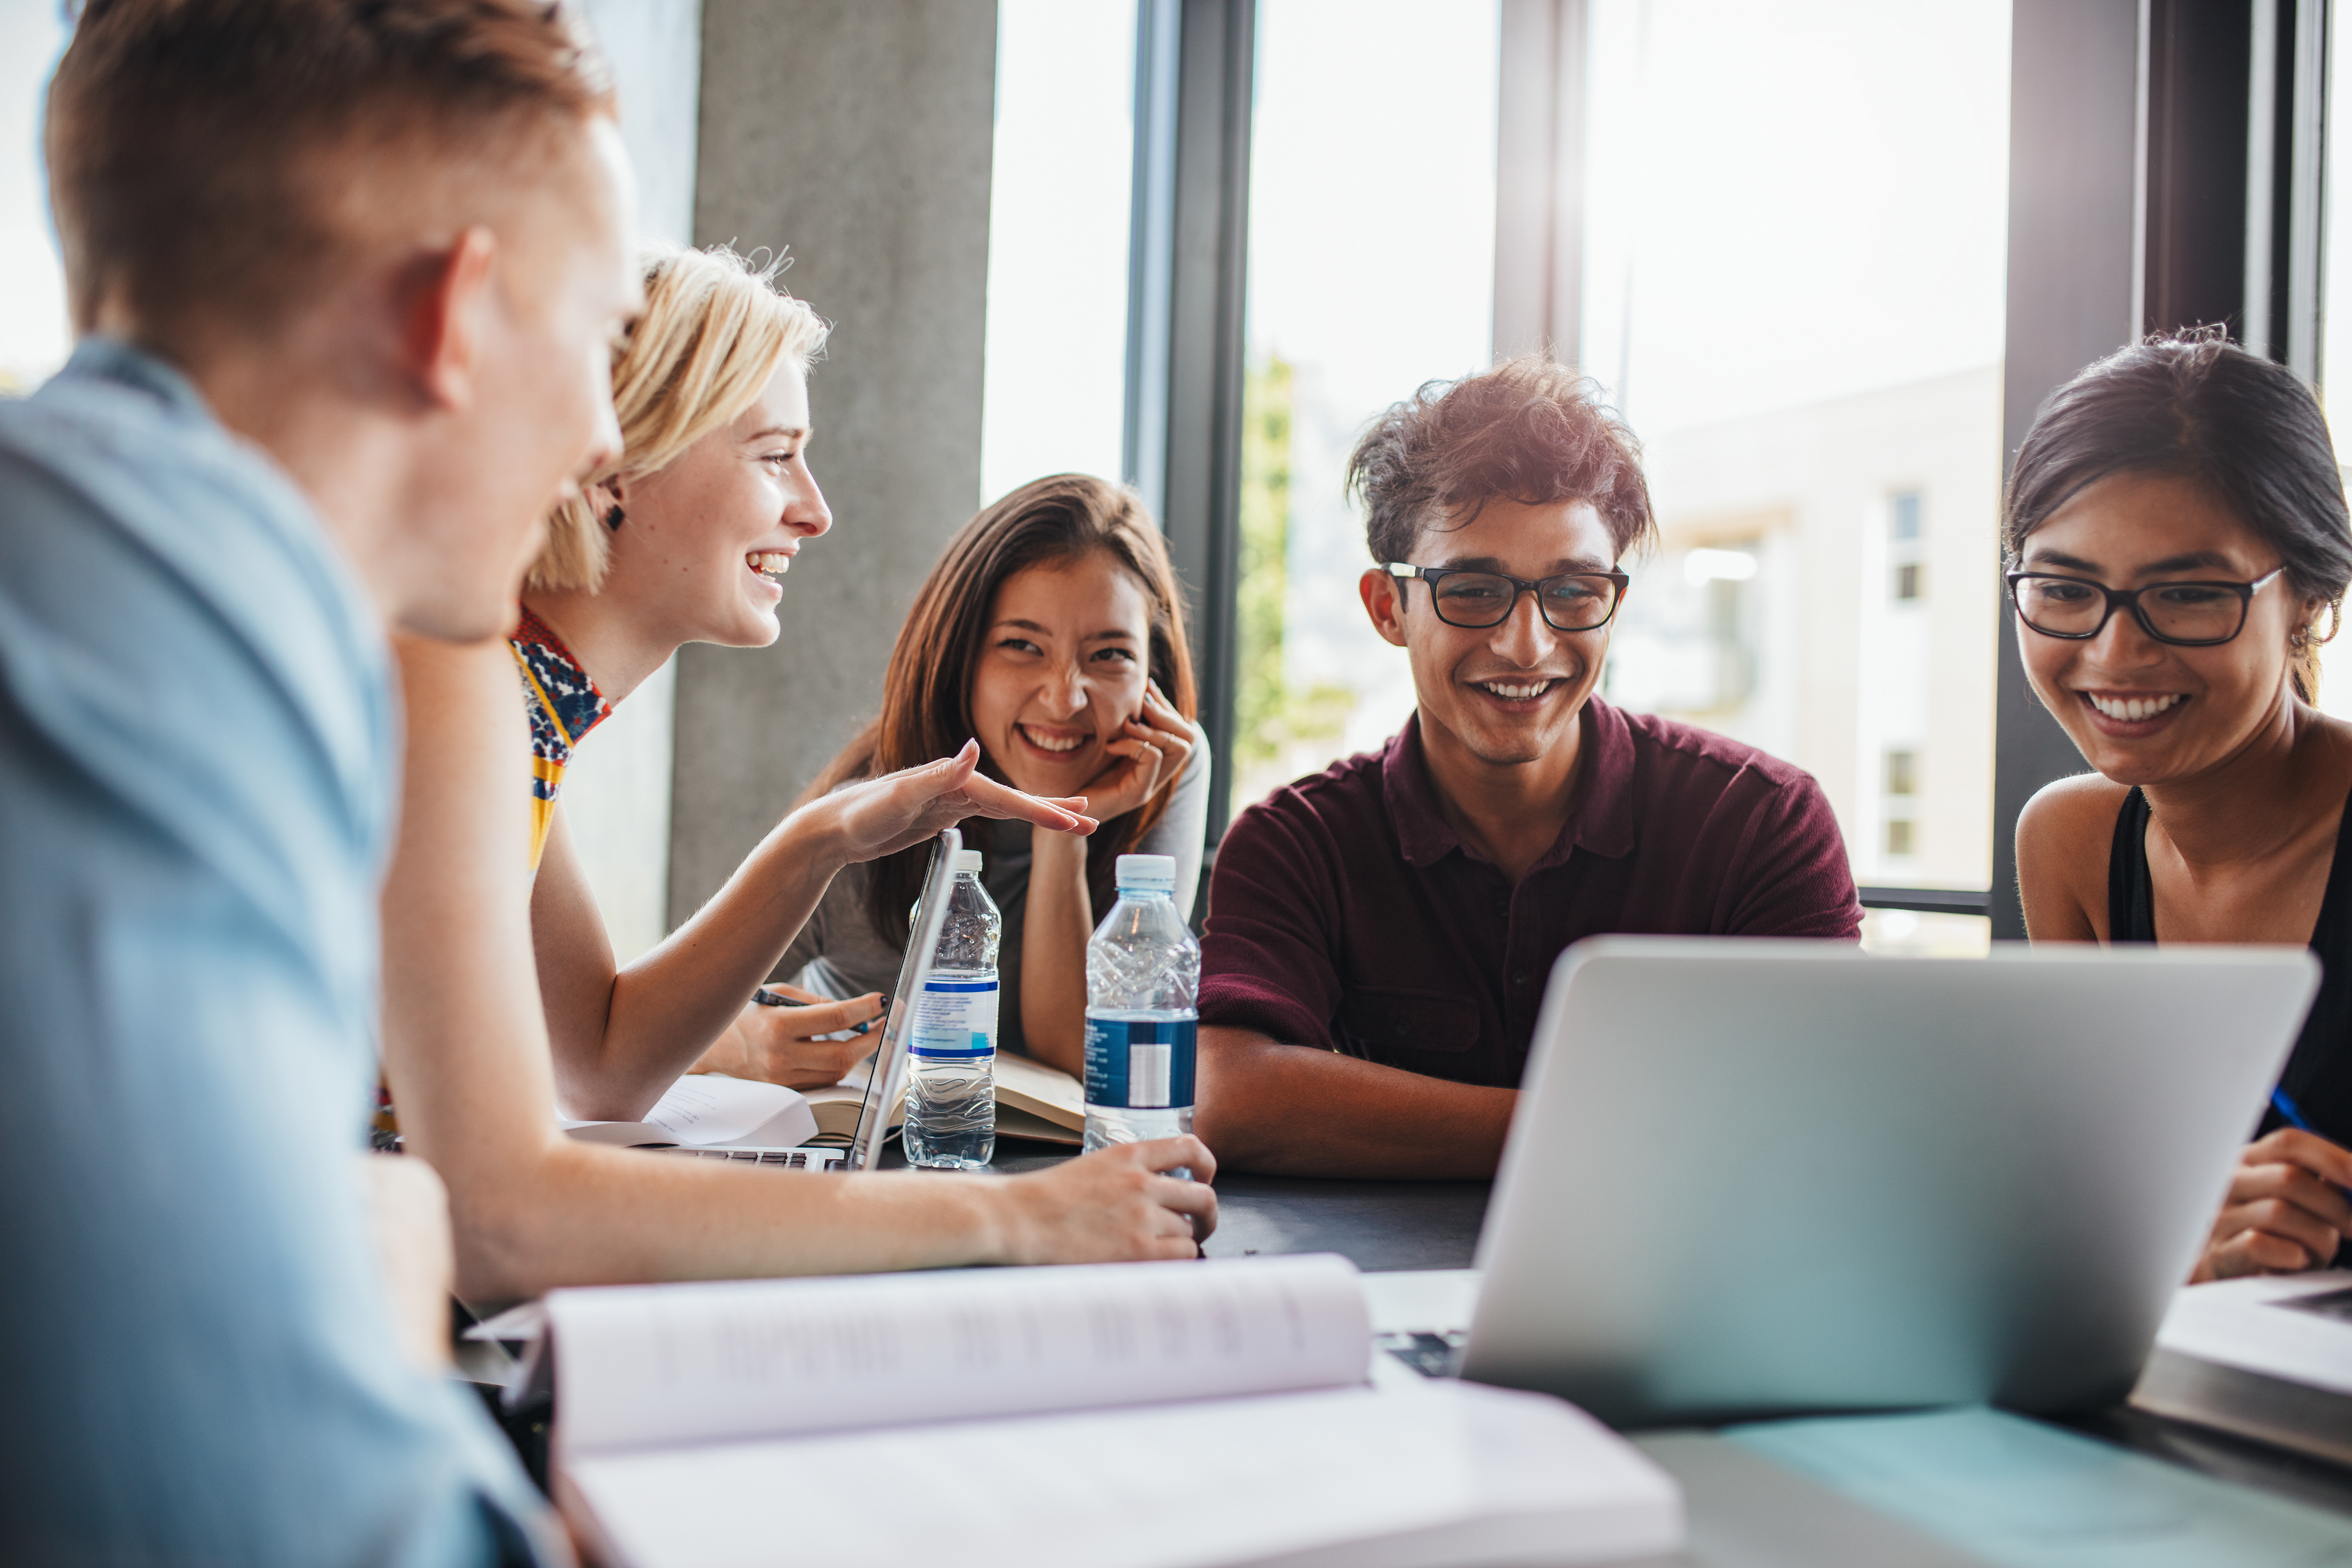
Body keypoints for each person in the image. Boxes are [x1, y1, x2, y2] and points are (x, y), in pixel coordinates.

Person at [0, 0, 638, 1560]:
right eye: (604, 338)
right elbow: (249, 1501)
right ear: (457, 317)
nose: (608, 431)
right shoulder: (168, 608)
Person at [382, 251, 1215, 1306]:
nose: (815, 512)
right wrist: (1017, 1213)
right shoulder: (457, 693)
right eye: (776, 455)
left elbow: (598, 1060)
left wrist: (820, 836)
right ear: (612, 465)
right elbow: (505, 1216)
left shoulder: (522, 714)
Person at [1192, 357, 1863, 1180]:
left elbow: (1816, 1113)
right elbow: (1229, 1092)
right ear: (1384, 607)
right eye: (1472, 589)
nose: (1526, 643)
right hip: (1381, 1294)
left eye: (1573, 590)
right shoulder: (1296, 842)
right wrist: (1628, 1133)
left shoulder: (1761, 821)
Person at [2011, 332, 2352, 1282]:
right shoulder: (2069, 840)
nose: (2114, 654)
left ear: (2311, 602)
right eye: (2063, 589)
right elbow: (2098, 1197)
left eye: (2190, 593)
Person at [782, 473, 1208, 1079]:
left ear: (1152, 673)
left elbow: (1084, 1054)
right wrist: (740, 1045)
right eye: (1022, 645)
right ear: (961, 657)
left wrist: (1062, 827)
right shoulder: (866, 815)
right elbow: (686, 1015)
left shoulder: (1166, 763)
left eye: (1110, 654)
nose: (1065, 700)